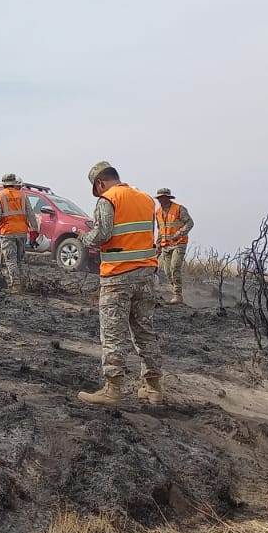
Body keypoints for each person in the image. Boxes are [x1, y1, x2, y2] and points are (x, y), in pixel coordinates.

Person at [77, 162, 162, 406]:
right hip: (146, 275)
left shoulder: (109, 199)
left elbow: (102, 234)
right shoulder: (146, 199)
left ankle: (112, 389)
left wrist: (84, 238)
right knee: (145, 331)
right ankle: (153, 387)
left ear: (100, 183)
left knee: (113, 333)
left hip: (118, 277)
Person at [0, 174, 38, 294]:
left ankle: (16, 285)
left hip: (7, 232)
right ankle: (22, 283)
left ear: (4, 184)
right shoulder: (23, 195)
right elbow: (30, 214)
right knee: (19, 259)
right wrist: (35, 229)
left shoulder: (0, 195)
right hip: (22, 232)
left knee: (10, 260)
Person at [153, 188, 194, 305]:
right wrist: (158, 246)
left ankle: (177, 295)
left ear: (168, 197)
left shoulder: (179, 209)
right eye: (159, 197)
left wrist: (179, 234)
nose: (161, 199)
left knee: (174, 267)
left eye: (163, 197)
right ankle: (175, 292)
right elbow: (160, 230)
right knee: (167, 272)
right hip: (165, 246)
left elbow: (190, 223)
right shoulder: (158, 212)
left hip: (179, 243)